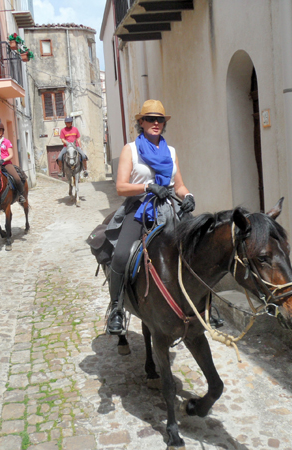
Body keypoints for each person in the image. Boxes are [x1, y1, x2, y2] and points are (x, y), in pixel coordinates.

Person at [104, 100, 196, 335]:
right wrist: (148, 187)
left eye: (160, 119)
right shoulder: (131, 149)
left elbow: (180, 185)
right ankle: (116, 308)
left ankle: (202, 306)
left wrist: (188, 196)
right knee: (122, 254)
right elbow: (121, 187)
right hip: (140, 209)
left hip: (169, 210)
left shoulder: (171, 151)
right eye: (150, 119)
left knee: (196, 249)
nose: (156, 123)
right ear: (141, 122)